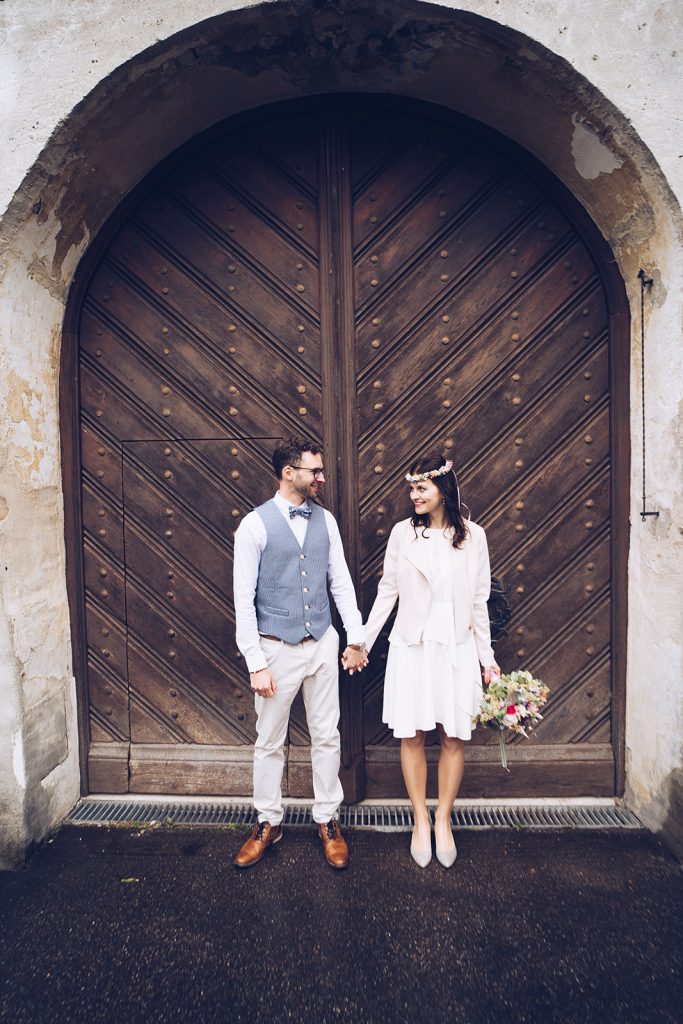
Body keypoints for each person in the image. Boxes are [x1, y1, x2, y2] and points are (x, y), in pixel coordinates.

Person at [232, 439, 367, 870]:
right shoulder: (253, 526)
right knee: (270, 741)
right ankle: (268, 822)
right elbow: (243, 599)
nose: (322, 477)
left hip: (322, 643)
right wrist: (255, 661)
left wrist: (354, 638)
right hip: (276, 648)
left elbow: (341, 583)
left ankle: (327, 819)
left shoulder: (325, 521)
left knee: (327, 736)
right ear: (289, 472)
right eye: (315, 471)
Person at [362, 454, 501, 868]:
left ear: (444, 489)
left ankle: (444, 820)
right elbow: (388, 591)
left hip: (456, 645)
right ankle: (419, 819)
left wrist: (487, 660)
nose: (414, 495)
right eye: (411, 488)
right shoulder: (403, 534)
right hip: (413, 645)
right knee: (412, 735)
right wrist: (363, 642)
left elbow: (480, 601)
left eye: (421, 487)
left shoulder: (473, 536)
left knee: (453, 736)